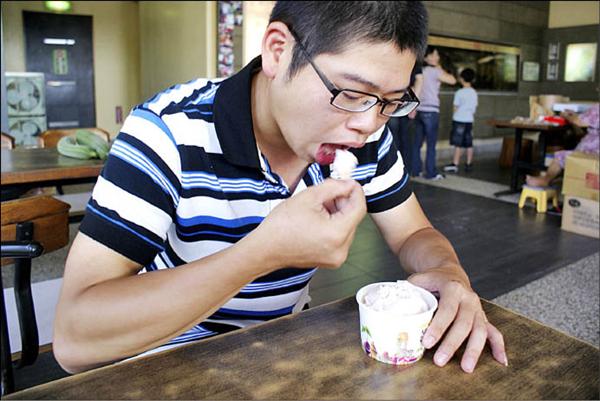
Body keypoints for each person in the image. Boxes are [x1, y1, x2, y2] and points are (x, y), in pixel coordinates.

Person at [53, 1, 506, 375]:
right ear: (277, 50)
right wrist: (263, 252)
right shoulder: (168, 132)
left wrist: (449, 273)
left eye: (390, 102)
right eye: (350, 93)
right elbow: (76, 339)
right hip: (169, 356)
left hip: (284, 350)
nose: (367, 124)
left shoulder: (366, 135)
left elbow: (413, 234)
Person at [411, 46, 457, 180]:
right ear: (426, 57)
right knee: (431, 145)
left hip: (419, 110)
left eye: (437, 55)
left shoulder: (420, 70)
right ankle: (430, 173)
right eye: (432, 55)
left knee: (417, 144)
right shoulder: (435, 70)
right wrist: (439, 67)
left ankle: (416, 170)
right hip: (431, 111)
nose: (436, 57)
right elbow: (452, 80)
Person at [526, 103, 599, 187]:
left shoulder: (597, 108)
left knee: (560, 156)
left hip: (592, 153)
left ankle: (546, 179)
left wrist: (566, 116)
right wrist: (575, 115)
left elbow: (579, 122)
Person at [386, 62, 423, 170]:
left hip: (390, 101)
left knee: (392, 137)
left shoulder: (391, 55)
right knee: (406, 138)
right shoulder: (413, 58)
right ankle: (405, 168)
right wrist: (414, 104)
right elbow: (420, 79)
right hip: (406, 102)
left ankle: (393, 168)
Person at [443, 68, 478, 173]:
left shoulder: (459, 92)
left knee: (458, 143)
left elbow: (455, 107)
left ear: (462, 79)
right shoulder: (474, 93)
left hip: (459, 119)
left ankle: (455, 163)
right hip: (469, 120)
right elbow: (474, 108)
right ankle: (469, 164)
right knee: (469, 142)